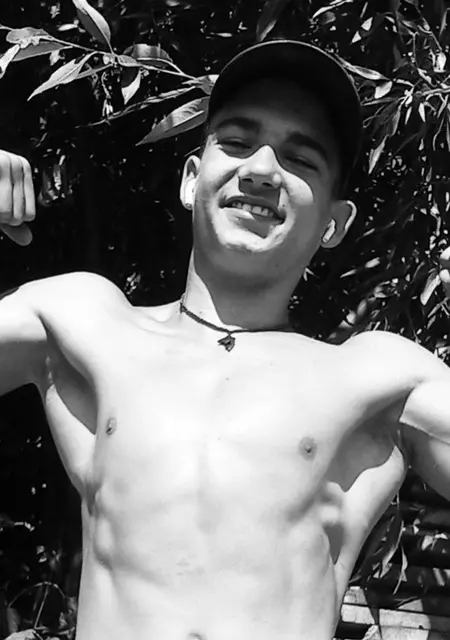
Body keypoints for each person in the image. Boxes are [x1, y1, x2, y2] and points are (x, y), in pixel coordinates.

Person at [1, 39, 450, 640]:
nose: (261, 170)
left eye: (301, 159)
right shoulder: (82, 324)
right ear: (192, 179)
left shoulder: (377, 378)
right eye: (236, 143)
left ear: (334, 223)